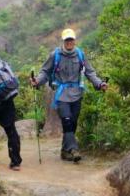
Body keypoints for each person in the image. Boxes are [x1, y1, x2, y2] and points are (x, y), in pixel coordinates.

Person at [30, 28, 107, 162]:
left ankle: (65, 151)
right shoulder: (55, 55)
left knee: (73, 123)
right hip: (61, 94)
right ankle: (73, 149)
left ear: (74, 40)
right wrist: (37, 81)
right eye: (67, 40)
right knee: (66, 120)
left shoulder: (80, 55)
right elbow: (45, 72)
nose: (69, 42)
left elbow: (90, 72)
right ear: (63, 41)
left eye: (71, 39)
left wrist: (99, 84)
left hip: (77, 93)